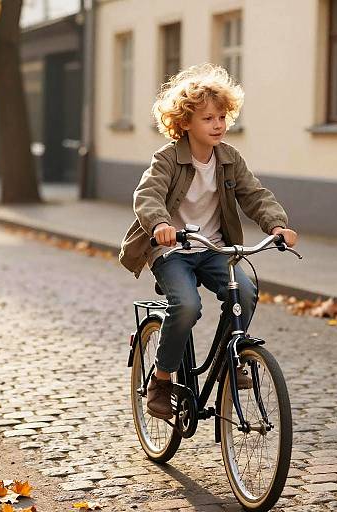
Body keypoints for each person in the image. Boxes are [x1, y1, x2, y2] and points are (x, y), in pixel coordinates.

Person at [119, 63, 297, 420]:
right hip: (172, 251)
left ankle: (232, 360)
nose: (218, 125)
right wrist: (159, 225)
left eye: (221, 117)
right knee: (186, 305)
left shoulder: (230, 159)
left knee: (244, 292)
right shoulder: (166, 159)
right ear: (185, 122)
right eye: (208, 119)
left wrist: (277, 225)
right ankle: (163, 377)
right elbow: (148, 195)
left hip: (215, 249)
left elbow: (255, 196)